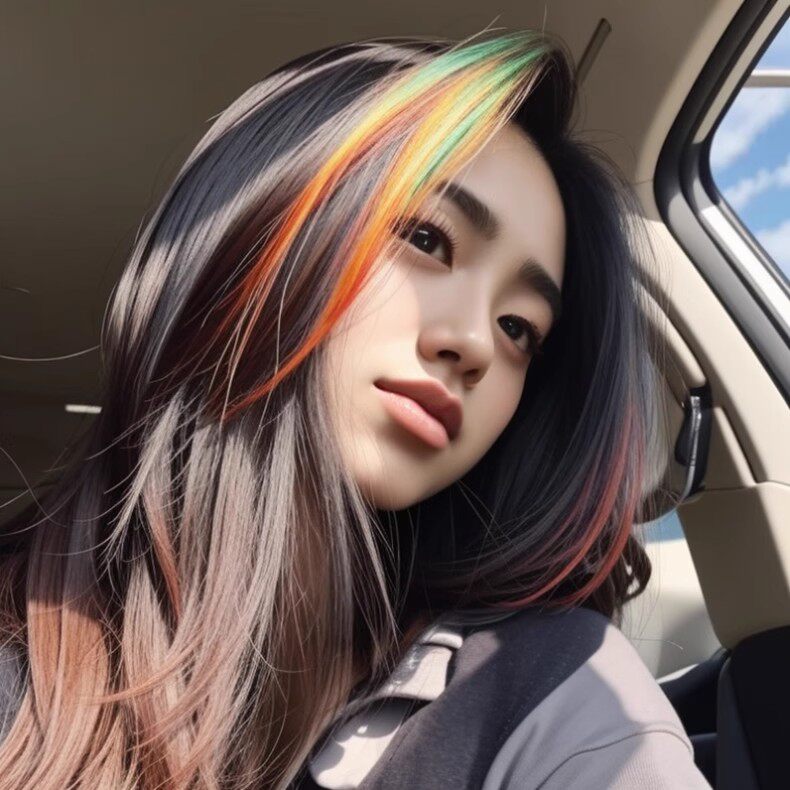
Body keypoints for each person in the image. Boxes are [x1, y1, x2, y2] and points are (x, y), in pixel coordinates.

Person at [0, 28, 712, 789]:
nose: (476, 342)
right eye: (426, 237)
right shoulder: (22, 658)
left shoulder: (553, 690)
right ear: (255, 229)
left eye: (519, 330)